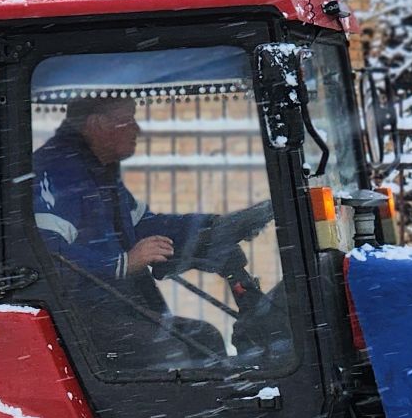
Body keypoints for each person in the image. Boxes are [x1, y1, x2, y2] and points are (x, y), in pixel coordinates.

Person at [32, 96, 269, 363]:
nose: (137, 129)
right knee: (171, 352)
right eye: (127, 120)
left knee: (204, 338)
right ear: (97, 124)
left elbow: (144, 225)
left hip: (112, 306)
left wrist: (213, 226)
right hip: (75, 317)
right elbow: (47, 254)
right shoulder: (57, 174)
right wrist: (121, 263)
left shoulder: (97, 171)